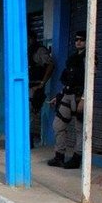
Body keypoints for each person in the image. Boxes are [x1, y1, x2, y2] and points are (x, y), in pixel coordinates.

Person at [48, 30, 86, 169]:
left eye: (82, 40)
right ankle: (59, 156)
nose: (78, 42)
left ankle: (77, 158)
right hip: (68, 95)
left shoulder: (90, 57)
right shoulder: (73, 58)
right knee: (58, 125)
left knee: (79, 129)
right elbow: (68, 80)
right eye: (77, 39)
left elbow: (90, 80)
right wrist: (59, 95)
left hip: (80, 96)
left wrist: (83, 98)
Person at [28, 31, 54, 149]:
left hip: (34, 88)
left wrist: (42, 83)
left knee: (30, 115)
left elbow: (50, 64)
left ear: (32, 39)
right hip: (27, 87)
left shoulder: (39, 51)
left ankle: (29, 141)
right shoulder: (26, 50)